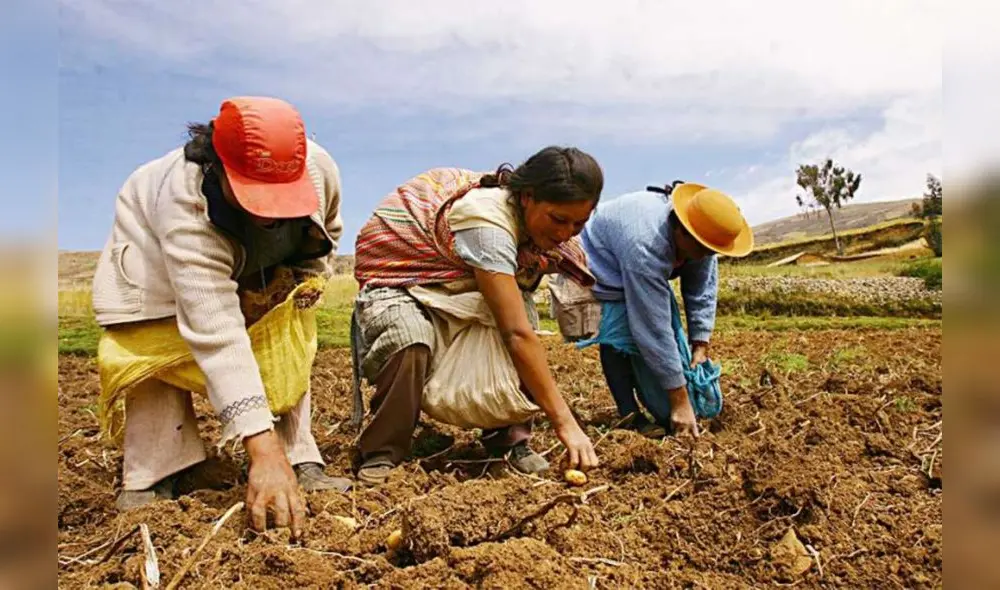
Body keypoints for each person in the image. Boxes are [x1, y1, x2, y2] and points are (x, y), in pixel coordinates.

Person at [90, 96, 351, 540]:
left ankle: (298, 454)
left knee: (285, 332)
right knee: (155, 346)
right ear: (219, 167)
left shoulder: (318, 167)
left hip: (264, 261)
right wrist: (259, 452)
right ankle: (155, 472)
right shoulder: (185, 206)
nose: (268, 213)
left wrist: (302, 283)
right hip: (154, 270)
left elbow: (328, 229)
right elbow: (216, 333)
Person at [350, 147, 604, 485]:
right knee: (407, 339)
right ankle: (384, 451)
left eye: (579, 223)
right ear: (527, 197)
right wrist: (565, 422)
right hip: (405, 281)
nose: (565, 233)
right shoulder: (487, 224)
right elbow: (516, 334)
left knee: (519, 318)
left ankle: (509, 441)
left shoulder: (540, 235)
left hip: (463, 282)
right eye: (558, 219)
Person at [577, 181, 753, 438]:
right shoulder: (645, 246)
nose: (705, 256)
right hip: (602, 262)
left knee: (668, 359)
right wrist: (679, 402)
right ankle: (629, 414)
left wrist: (700, 343)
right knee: (619, 338)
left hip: (637, 257)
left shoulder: (702, 236)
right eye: (702, 250)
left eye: (710, 252)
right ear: (681, 232)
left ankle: (657, 395)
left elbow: (701, 288)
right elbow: (653, 329)